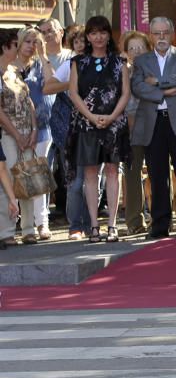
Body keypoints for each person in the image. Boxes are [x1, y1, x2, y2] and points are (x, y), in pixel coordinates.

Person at [131, 16, 176, 239]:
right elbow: (138, 87)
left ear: (172, 34)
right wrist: (165, 92)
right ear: (150, 36)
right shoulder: (142, 61)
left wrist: (157, 83)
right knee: (157, 174)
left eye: (165, 33)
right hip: (154, 123)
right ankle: (160, 224)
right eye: (156, 33)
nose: (161, 37)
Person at [66, 16, 131, 242]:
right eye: (93, 33)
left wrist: (112, 116)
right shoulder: (77, 62)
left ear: (108, 34)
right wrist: (92, 117)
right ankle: (94, 226)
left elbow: (125, 92)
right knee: (91, 174)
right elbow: (73, 93)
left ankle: (112, 226)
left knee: (113, 172)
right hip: (86, 124)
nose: (98, 37)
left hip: (114, 126)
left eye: (102, 32)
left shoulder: (119, 61)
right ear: (88, 36)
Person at [43, 25, 88, 239]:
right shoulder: (69, 65)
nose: (80, 46)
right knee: (75, 181)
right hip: (69, 131)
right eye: (76, 42)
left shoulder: (103, 64)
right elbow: (48, 88)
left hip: (96, 130)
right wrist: (70, 83)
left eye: (83, 41)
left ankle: (92, 224)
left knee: (94, 182)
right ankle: (75, 226)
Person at [10, 27, 54, 241]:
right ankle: (15, 225)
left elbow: (52, 82)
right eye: (27, 41)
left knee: (38, 176)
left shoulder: (39, 64)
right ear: (18, 43)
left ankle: (41, 224)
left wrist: (44, 55)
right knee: (15, 177)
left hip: (41, 126)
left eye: (35, 42)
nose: (31, 46)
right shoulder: (8, 66)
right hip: (14, 128)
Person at [120, 31, 152, 236]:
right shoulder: (123, 72)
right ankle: (134, 221)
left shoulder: (156, 70)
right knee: (132, 173)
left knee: (159, 172)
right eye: (132, 48)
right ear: (126, 52)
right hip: (130, 127)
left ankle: (161, 217)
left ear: (148, 49)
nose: (136, 52)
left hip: (155, 125)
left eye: (140, 47)